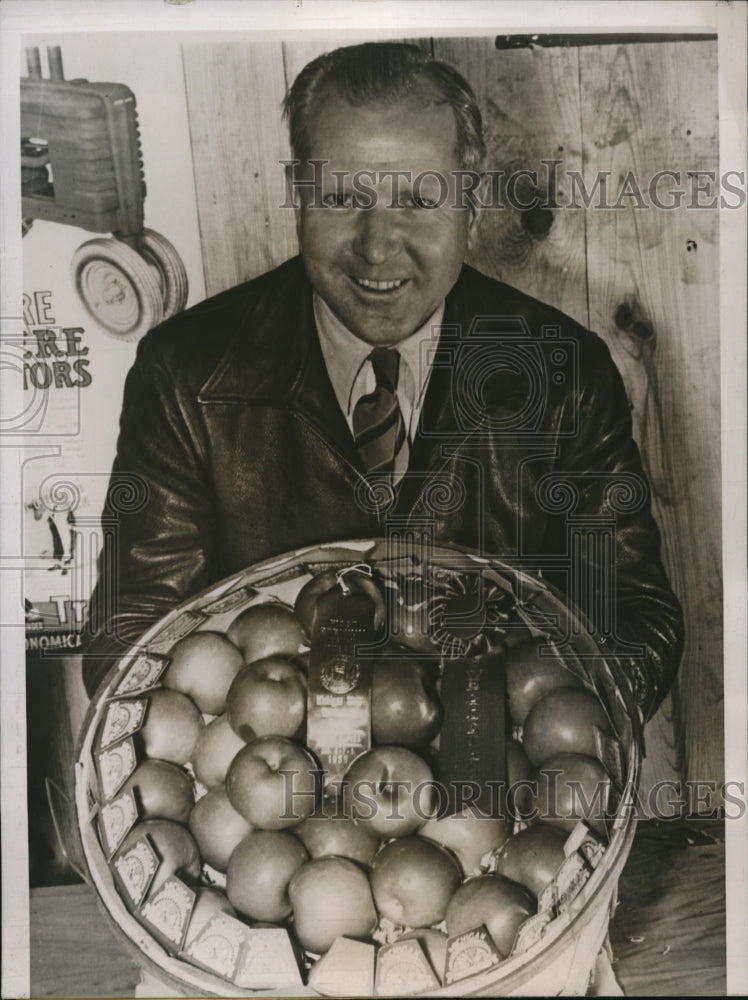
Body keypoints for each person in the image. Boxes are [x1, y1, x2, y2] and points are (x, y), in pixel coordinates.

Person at [82, 42, 683, 725]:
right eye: (342, 198)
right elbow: (129, 637)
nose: (377, 246)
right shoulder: (184, 374)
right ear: (298, 193)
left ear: (470, 201)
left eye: (419, 200)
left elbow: (634, 617)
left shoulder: (565, 373)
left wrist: (540, 728)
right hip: (256, 772)